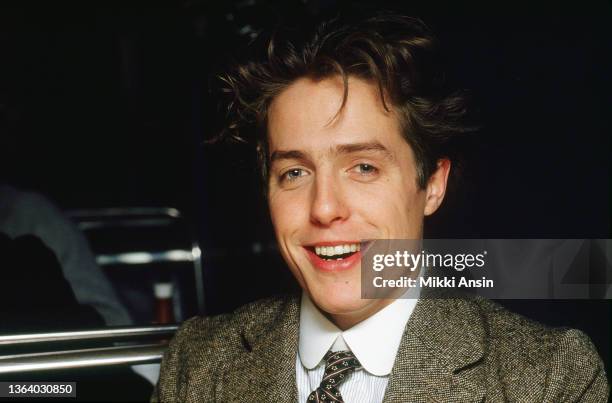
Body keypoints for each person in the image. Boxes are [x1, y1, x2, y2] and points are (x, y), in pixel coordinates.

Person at [154, 14, 608, 402]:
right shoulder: (196, 364)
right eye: (295, 173)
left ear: (432, 184)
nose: (325, 208)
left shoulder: (549, 377)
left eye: (364, 167)